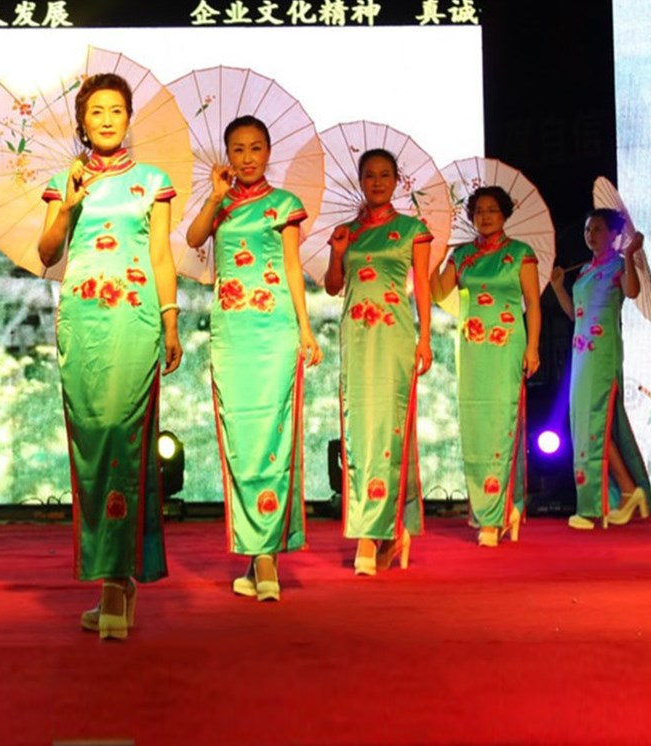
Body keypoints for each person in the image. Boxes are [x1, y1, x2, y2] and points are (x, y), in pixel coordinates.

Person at [38, 73, 182, 640]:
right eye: (96, 111)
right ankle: (115, 579)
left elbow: (161, 256)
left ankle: (114, 584)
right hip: (81, 322)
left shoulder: (152, 182)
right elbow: (47, 252)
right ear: (82, 121)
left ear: (128, 118)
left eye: (116, 110)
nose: (106, 119)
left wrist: (170, 322)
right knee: (94, 439)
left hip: (134, 319)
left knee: (126, 437)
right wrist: (68, 207)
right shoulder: (64, 182)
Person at [185, 115, 320, 600]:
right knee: (240, 437)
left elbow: (292, 268)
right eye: (238, 149)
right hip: (232, 333)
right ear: (227, 155)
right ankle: (259, 556)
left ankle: (265, 560)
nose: (247, 158)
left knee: (274, 433)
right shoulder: (220, 205)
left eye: (256, 148)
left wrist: (305, 329)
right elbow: (193, 239)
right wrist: (215, 196)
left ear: (268, 152)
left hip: (275, 329)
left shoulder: (284, 205)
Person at [324, 148, 433, 576]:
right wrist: (337, 252)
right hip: (356, 338)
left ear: (396, 180)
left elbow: (421, 288)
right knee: (359, 431)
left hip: (394, 337)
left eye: (385, 175)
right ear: (360, 181)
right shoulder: (347, 232)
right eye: (369, 175)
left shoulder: (412, 230)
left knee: (391, 429)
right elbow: (333, 286)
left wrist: (425, 339)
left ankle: (372, 535)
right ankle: (390, 531)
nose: (377, 182)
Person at [430, 186, 540, 548]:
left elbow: (533, 304)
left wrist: (533, 347)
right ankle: (495, 510)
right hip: (473, 348)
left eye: (492, 210)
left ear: (504, 214)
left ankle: (497, 514)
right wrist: (435, 258)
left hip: (508, 345)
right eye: (479, 211)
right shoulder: (462, 255)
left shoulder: (520, 253)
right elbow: (438, 293)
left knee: (503, 423)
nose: (485, 216)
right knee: (476, 426)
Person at [550, 207, 651, 529]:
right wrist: (558, 287)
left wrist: (630, 256)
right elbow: (574, 315)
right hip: (581, 355)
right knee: (589, 426)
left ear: (613, 234)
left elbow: (632, 292)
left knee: (595, 422)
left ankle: (592, 507)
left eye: (597, 229)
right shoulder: (584, 271)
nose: (590, 235)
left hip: (603, 353)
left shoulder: (616, 266)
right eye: (587, 230)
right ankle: (627, 489)